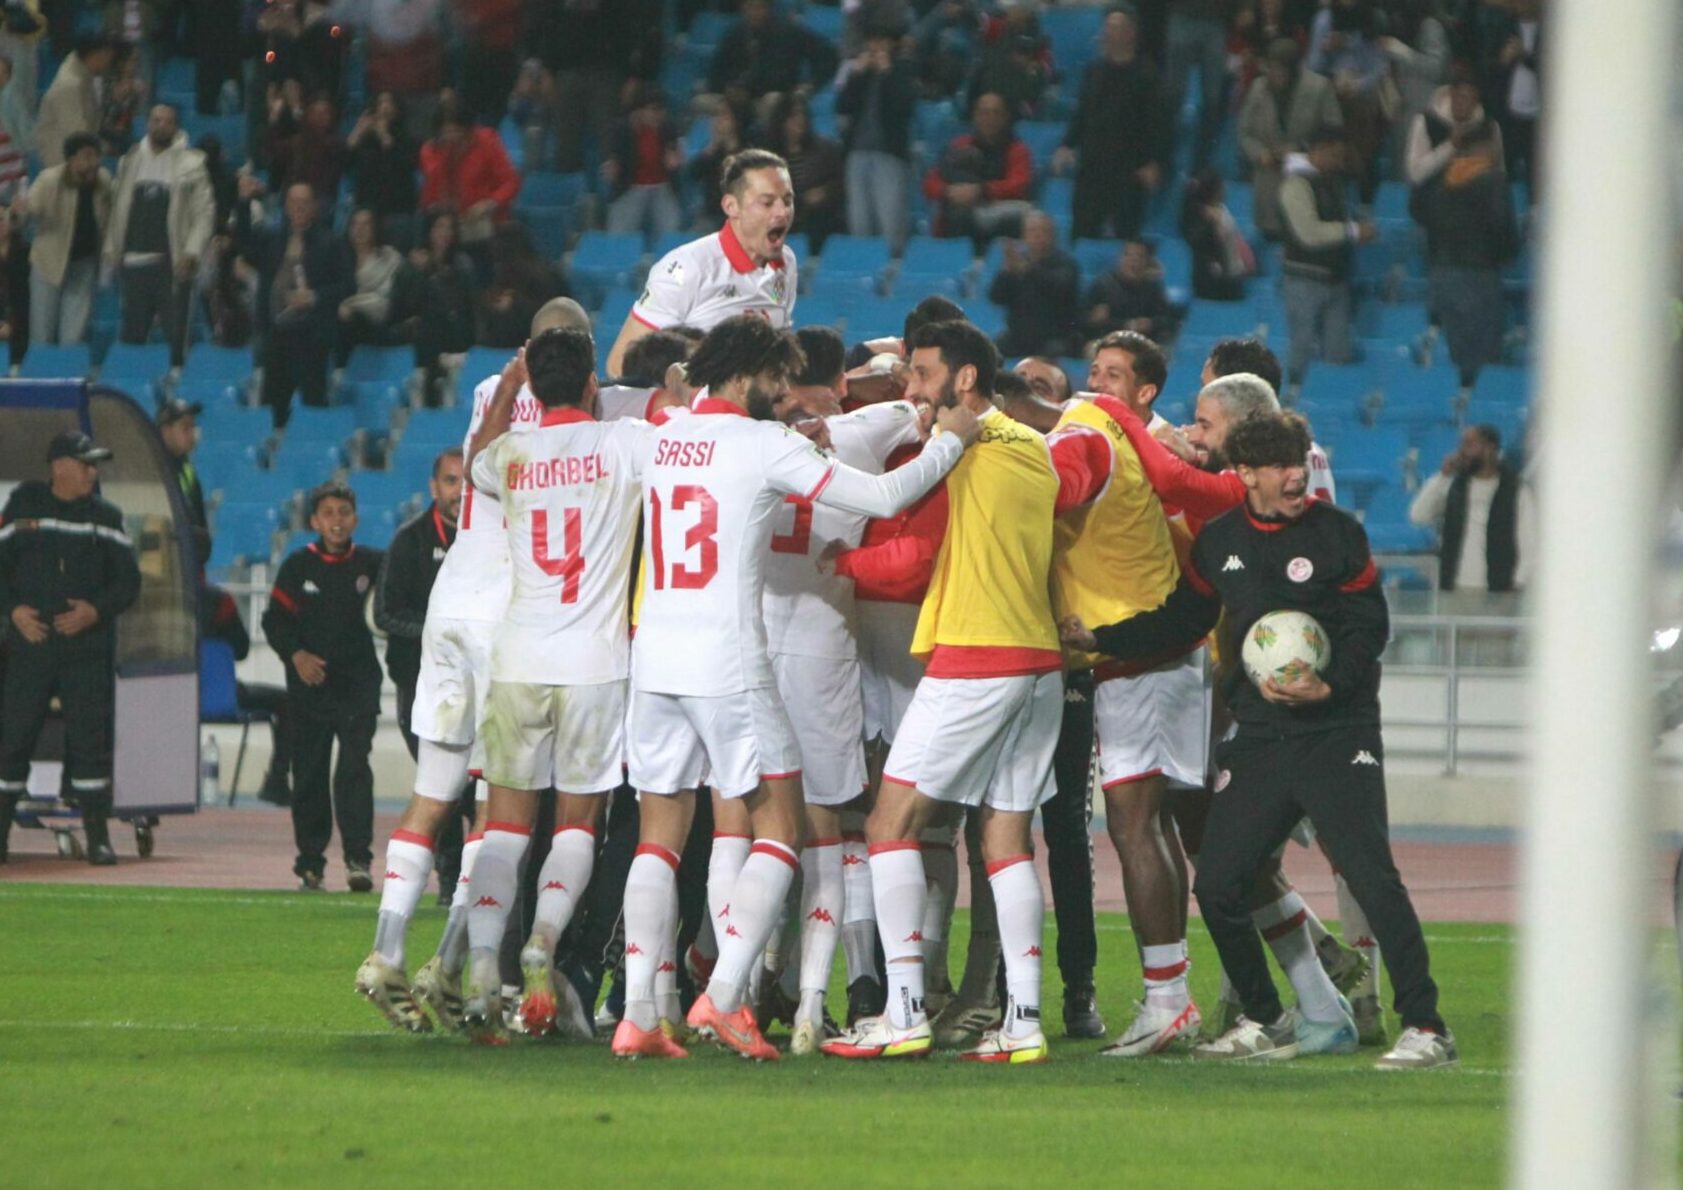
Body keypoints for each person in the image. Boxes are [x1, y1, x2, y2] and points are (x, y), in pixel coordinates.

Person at [617, 315, 976, 1060]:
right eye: (776, 383)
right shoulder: (762, 443)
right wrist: (951, 441)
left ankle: (638, 1013)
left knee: (659, 837)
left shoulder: (662, 435)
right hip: (728, 663)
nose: (784, 398)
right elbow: (878, 499)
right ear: (748, 373)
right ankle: (722, 1002)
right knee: (781, 827)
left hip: (654, 662)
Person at [1062, 412, 1457, 1070]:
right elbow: (1182, 617)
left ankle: (1425, 1026)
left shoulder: (1337, 535)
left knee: (1370, 876)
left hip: (1336, 731)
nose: (1294, 472)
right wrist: (1101, 639)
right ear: (1243, 474)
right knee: (1218, 882)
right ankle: (1270, 1018)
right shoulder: (1218, 543)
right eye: (1277, 464)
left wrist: (1328, 684)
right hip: (1263, 739)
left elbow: (1368, 626)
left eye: (1296, 459)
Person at [821, 319, 1107, 1065]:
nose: (912, 388)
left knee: (888, 823)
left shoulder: (963, 446)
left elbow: (900, 527)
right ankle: (1023, 1021)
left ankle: (904, 1010)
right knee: (1005, 839)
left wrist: (844, 557)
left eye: (921, 374)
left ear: (966, 380)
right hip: (1039, 662)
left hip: (976, 655)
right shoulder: (1030, 449)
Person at [358, 298, 588, 1032]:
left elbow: (478, 468)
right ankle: (466, 966)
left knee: (431, 795)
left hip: (450, 604)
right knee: (497, 809)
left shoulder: (495, 387)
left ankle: (387, 953)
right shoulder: (581, 402)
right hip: (505, 614)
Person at [452, 328, 658, 1045]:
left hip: (517, 660)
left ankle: (484, 966)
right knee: (577, 824)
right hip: (594, 664)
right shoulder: (623, 442)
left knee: (504, 826)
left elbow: (475, 458)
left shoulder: (508, 454)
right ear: (592, 387)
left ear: (534, 391)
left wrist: (507, 392)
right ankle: (543, 937)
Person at [758, 325, 926, 1053]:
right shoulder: (859, 428)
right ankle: (812, 1004)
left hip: (752, 645)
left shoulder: (749, 436)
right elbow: (927, 407)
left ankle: (734, 985)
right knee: (830, 824)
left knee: (745, 824)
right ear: (842, 379)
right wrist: (877, 375)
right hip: (826, 644)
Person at [0, 430, 139, 866]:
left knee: (89, 744)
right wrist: (14, 612)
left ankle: (98, 838)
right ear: (59, 466)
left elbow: (128, 583)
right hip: (30, 649)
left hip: (86, 652)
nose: (93, 473)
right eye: (86, 464)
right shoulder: (22, 507)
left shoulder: (108, 518)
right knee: (13, 739)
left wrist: (95, 611)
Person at [261, 482, 384, 892]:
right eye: (328, 513)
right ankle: (311, 862)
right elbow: (274, 621)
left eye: (344, 513)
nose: (337, 521)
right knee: (309, 773)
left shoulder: (372, 564)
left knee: (353, 769)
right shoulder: (298, 566)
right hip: (310, 689)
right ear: (314, 521)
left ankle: (358, 860)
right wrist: (296, 656)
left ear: (356, 519)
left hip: (358, 687)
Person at [606, 149, 797, 377]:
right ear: (731, 206)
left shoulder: (787, 263)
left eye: (787, 200)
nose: (782, 212)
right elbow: (619, 365)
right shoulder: (688, 268)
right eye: (767, 203)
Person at [1408, 124, 1519, 391]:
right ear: (1486, 146)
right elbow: (1501, 226)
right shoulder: (1492, 180)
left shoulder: (1441, 179)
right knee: (1485, 358)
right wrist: (1506, 255)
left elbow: (1417, 210)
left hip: (1441, 274)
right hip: (1478, 275)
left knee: (1459, 354)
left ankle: (1461, 407)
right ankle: (1477, 414)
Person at [105, 104, 215, 370]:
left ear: (176, 126)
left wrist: (191, 252)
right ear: (148, 124)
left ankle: (176, 388)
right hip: (133, 262)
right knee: (132, 334)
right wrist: (113, 250)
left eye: (167, 121)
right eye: (156, 120)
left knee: (175, 335)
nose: (161, 125)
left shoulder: (193, 164)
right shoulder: (129, 161)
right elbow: (118, 211)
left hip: (172, 263)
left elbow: (204, 214)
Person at [235, 179, 350, 429]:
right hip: (277, 333)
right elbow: (243, 242)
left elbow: (347, 285)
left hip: (312, 336)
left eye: (304, 202)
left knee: (312, 401)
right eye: (293, 202)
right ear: (285, 206)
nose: (298, 208)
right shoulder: (273, 240)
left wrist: (315, 297)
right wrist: (244, 202)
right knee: (272, 402)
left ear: (314, 207)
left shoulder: (330, 242)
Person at [375, 448, 463, 758]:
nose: (460, 492)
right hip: (418, 676)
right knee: (437, 786)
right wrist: (441, 630)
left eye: (467, 482)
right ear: (433, 487)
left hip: (475, 679)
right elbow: (384, 613)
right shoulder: (410, 540)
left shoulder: (490, 537)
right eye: (451, 481)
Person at [1055, 7, 1167, 242]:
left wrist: (1154, 161)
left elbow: (1158, 124)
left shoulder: (1148, 76)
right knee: (1082, 230)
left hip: (1128, 170)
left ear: (1131, 34)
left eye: (1115, 27)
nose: (1108, 32)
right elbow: (1082, 113)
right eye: (1107, 27)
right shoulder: (1093, 71)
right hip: (1092, 167)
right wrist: (1066, 145)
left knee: (1125, 235)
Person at [1279, 125, 1376, 391]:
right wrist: (1353, 231)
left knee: (1338, 352)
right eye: (1334, 155)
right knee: (1302, 348)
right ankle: (1293, 402)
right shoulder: (1295, 184)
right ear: (1317, 151)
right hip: (1303, 279)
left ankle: (1329, 399)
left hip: (1336, 279)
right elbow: (1308, 234)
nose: (1339, 162)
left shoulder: (1334, 183)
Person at [1408, 423, 1533, 599]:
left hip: (1500, 591)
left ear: (1490, 449)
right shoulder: (1452, 485)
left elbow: (1529, 541)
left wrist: (1519, 583)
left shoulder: (1517, 491)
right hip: (1454, 588)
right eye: (1461, 445)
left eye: (1469, 445)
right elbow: (1417, 516)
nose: (1461, 451)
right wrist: (1442, 476)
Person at [200, 578, 294, 807]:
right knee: (288, 702)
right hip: (221, 694)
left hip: (166, 697)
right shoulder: (220, 601)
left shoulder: (156, 598)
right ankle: (277, 780)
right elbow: (241, 649)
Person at [1238, 38, 1342, 242]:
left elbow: (1334, 130)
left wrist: (1300, 147)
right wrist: (1260, 154)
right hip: (1269, 181)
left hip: (1307, 178)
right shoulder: (1259, 88)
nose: (1274, 75)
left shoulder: (1319, 88)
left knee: (1303, 233)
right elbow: (1244, 132)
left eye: (1280, 69)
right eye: (1271, 68)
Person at [837, 18, 917, 254]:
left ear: (892, 44)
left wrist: (888, 73)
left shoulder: (903, 69)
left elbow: (904, 106)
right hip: (857, 153)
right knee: (859, 221)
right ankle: (863, 270)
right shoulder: (861, 72)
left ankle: (892, 269)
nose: (876, 46)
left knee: (889, 222)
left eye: (881, 41)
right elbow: (842, 106)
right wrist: (856, 76)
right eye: (872, 41)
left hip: (888, 155)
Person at [25, 132, 112, 348]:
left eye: (96, 156)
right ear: (71, 159)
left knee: (73, 337)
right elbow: (30, 210)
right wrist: (20, 213)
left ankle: (68, 377)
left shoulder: (104, 180)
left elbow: (112, 218)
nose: (94, 163)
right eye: (87, 156)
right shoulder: (48, 179)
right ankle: (41, 378)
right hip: (48, 265)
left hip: (84, 264)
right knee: (42, 334)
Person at [418, 109, 522, 278]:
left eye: (455, 131)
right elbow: (431, 189)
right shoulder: (433, 150)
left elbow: (511, 182)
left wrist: (489, 204)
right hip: (449, 224)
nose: (451, 137)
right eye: (446, 132)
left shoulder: (487, 141)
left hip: (484, 224)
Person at [922, 92, 1034, 244]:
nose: (989, 118)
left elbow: (1019, 184)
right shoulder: (959, 145)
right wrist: (948, 191)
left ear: (1006, 117)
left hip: (1001, 216)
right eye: (984, 112)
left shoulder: (1018, 150)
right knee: (956, 213)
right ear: (975, 116)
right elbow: (930, 183)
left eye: (996, 113)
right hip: (960, 214)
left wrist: (981, 191)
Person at [706, 0, 838, 115]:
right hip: (739, 98)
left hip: (779, 96)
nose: (754, 12)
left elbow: (828, 56)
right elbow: (716, 70)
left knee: (772, 102)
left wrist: (809, 86)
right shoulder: (734, 34)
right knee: (701, 102)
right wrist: (727, 88)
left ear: (768, 8)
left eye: (759, 7)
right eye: (749, 6)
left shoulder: (789, 32)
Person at [987, 209, 1080, 357]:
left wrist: (1028, 270)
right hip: (1018, 337)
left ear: (1053, 235)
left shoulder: (1066, 264)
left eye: (1043, 231)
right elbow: (995, 297)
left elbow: (1059, 287)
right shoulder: (1017, 263)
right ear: (1024, 236)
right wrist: (1005, 273)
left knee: (1053, 353)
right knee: (990, 352)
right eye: (1032, 231)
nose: (1038, 236)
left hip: (1054, 337)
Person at [409, 209, 478, 405]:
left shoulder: (463, 266)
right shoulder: (415, 266)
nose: (445, 233)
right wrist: (421, 272)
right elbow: (408, 303)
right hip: (426, 341)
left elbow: (468, 307)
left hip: (457, 340)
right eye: (440, 227)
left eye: (449, 228)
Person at [763, 93, 845, 254]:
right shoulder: (769, 155)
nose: (798, 122)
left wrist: (824, 192)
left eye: (802, 116)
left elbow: (840, 183)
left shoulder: (824, 150)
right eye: (793, 117)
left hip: (817, 216)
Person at [602, 83, 683, 245]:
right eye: (653, 110)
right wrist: (612, 167)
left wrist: (676, 162)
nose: (658, 115)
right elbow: (612, 160)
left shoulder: (668, 129)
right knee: (618, 235)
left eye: (661, 110)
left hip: (662, 186)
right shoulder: (622, 130)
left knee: (671, 231)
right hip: (632, 186)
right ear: (640, 110)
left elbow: (676, 158)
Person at [334, 208, 411, 366]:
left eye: (366, 224)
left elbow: (382, 302)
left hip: (382, 321)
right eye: (355, 224)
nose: (360, 229)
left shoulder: (389, 258)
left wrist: (351, 304)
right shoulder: (338, 260)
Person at [1403, 69, 1504, 188]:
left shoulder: (1489, 127)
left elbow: (1500, 172)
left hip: (1476, 194)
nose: (1466, 104)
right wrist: (1450, 146)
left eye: (1472, 99)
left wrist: (1489, 161)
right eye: (1462, 97)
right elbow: (1415, 175)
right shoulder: (1425, 122)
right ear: (1452, 94)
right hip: (1434, 193)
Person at [348, 92, 420, 251]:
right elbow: (345, 163)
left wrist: (384, 136)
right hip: (367, 209)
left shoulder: (408, 138)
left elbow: (406, 165)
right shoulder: (365, 139)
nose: (384, 107)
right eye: (380, 102)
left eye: (389, 102)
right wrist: (357, 132)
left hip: (396, 210)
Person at [477, 223, 566, 350]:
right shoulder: (507, 274)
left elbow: (544, 313)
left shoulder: (541, 278)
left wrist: (513, 306)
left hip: (537, 343)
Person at [36, 32, 113, 167]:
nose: (109, 63)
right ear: (96, 55)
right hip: (62, 165)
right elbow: (77, 135)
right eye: (107, 57)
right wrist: (107, 149)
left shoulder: (85, 75)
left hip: (81, 158)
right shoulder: (69, 85)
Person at [1082, 239, 1178, 343]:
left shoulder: (1153, 288)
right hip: (1106, 341)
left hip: (1142, 343)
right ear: (1119, 259)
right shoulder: (1102, 284)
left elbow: (1167, 320)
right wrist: (1093, 318)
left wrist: (1151, 323)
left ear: (1147, 262)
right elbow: (1081, 318)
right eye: (1128, 256)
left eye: (1139, 257)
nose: (1133, 262)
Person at [1180, 170, 1255, 302]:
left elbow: (1233, 240)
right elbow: (1198, 243)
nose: (1225, 188)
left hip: (1232, 277)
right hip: (1211, 281)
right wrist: (1211, 224)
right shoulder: (1199, 218)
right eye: (1221, 185)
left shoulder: (1222, 210)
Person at [156, 398, 210, 567]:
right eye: (185, 428)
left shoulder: (187, 469)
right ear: (166, 431)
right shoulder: (153, 468)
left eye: (193, 427)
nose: (192, 434)